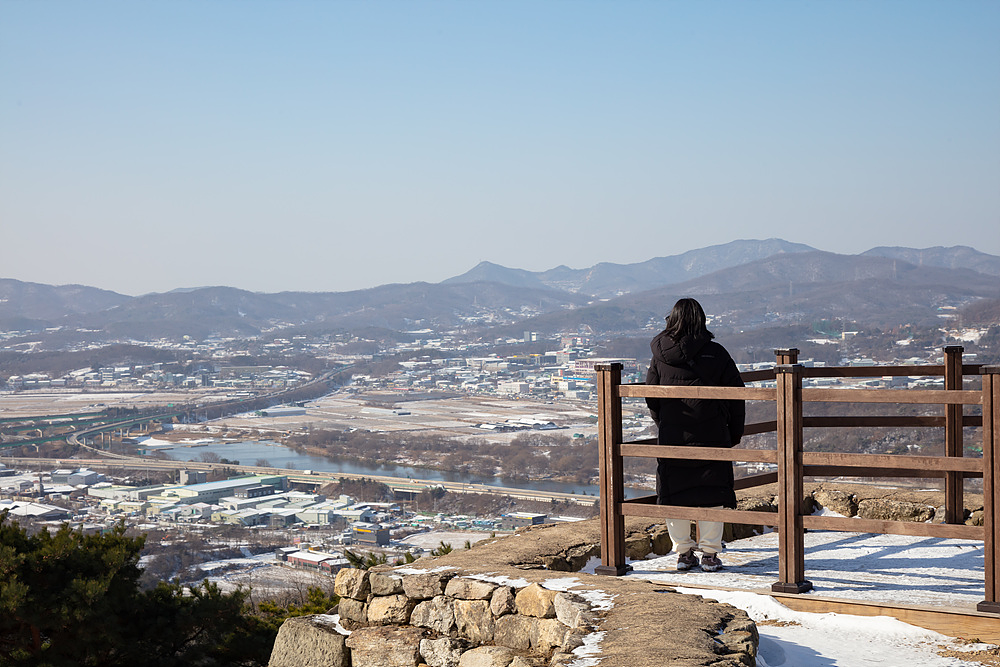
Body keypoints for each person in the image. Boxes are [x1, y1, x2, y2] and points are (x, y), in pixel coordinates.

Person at [645, 298, 745, 572]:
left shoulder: (659, 354)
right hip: (712, 433)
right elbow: (738, 397)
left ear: (671, 319)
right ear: (702, 320)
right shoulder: (716, 353)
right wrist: (733, 433)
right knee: (712, 491)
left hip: (674, 434)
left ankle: (683, 553)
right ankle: (710, 554)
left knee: (673, 491)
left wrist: (664, 422)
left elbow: (651, 395)